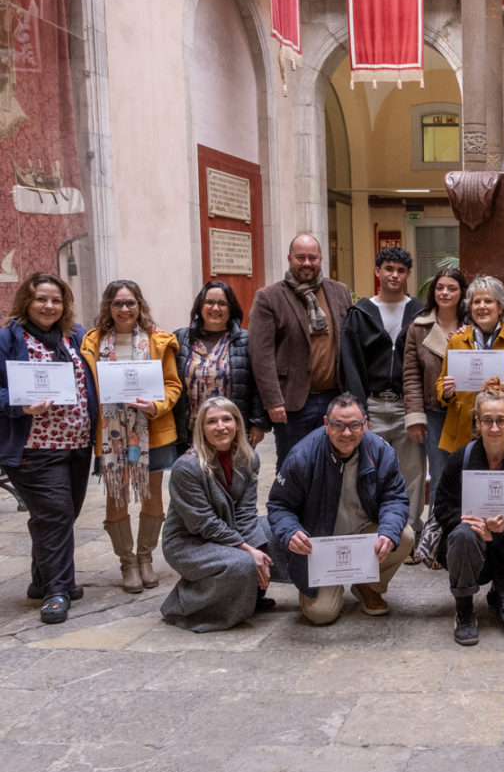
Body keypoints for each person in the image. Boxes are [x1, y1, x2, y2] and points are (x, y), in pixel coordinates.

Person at [0, 273, 98, 624]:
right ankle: (58, 589)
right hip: (34, 447)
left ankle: (41, 579)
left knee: (61, 514)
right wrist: (19, 405)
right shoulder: (8, 339)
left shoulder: (74, 336)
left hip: (76, 444)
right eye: (41, 298)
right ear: (27, 301)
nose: (49, 306)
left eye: (56, 300)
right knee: (55, 514)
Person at [268, 392, 412, 624]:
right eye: (339, 425)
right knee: (321, 614)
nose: (347, 433)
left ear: (365, 424)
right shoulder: (302, 456)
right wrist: (291, 532)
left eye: (354, 425)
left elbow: (394, 499)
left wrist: (387, 532)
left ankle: (368, 585)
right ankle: (319, 587)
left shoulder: (381, 452)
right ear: (327, 424)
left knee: (403, 535)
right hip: (321, 542)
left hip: (364, 535)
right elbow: (279, 505)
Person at [81, 280, 182, 594]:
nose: (124, 309)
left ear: (140, 305)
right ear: (108, 307)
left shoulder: (158, 341)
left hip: (151, 430)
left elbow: (173, 385)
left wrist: (156, 405)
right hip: (111, 434)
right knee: (117, 494)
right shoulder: (93, 342)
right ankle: (127, 561)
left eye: (130, 303)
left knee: (151, 493)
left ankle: (145, 557)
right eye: (117, 303)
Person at [433, 388, 504, 645]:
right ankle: (463, 609)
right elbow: (442, 506)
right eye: (487, 420)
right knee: (462, 533)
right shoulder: (460, 459)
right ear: (477, 422)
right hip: (472, 550)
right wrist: (473, 524)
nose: (494, 428)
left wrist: (497, 532)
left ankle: (500, 592)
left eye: (500, 420)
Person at [160, 397, 277, 632]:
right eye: (211, 421)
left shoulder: (248, 457)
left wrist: (255, 545)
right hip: (189, 542)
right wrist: (247, 549)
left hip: (228, 530)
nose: (221, 426)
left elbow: (246, 512)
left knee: (275, 533)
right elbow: (203, 523)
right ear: (201, 429)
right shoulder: (187, 467)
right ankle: (183, 604)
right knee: (243, 562)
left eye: (227, 419)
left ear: (237, 423)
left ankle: (250, 597)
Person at [248, 233, 353, 465]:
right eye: (301, 257)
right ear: (289, 258)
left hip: (334, 398)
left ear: (321, 259)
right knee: (294, 466)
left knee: (334, 464)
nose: (307, 263)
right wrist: (273, 401)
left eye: (312, 258)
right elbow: (261, 355)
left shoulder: (340, 292)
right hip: (292, 402)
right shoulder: (270, 297)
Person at [341, 246, 425, 530]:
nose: (394, 275)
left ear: (407, 275)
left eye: (401, 271)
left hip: (408, 407)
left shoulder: (420, 313)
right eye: (388, 269)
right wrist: (359, 410)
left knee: (411, 474)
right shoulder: (361, 313)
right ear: (377, 271)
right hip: (372, 406)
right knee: (367, 470)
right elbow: (350, 364)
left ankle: (409, 533)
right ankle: (372, 530)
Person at [403, 265, 468, 546]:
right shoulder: (418, 328)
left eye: (452, 288)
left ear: (462, 292)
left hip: (469, 415)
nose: (445, 292)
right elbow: (411, 376)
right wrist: (415, 417)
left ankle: (468, 535)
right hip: (435, 414)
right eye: (440, 287)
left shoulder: (476, 326)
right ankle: (437, 540)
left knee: (471, 474)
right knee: (440, 477)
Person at [437, 274, 504, 453]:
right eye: (476, 302)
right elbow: (441, 382)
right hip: (464, 428)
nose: (481, 307)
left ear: (500, 307)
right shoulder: (457, 340)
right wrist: (446, 392)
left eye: (488, 301)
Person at [173, 280, 268, 456]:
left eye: (222, 303)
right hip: (191, 432)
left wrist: (258, 423)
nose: (215, 308)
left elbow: (257, 384)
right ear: (200, 306)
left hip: (231, 431)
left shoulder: (246, 341)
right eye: (209, 302)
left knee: (230, 479)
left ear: (231, 308)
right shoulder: (181, 338)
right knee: (193, 479)